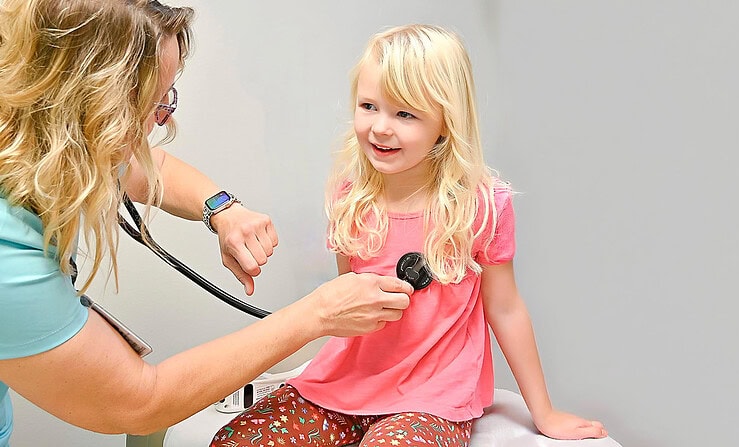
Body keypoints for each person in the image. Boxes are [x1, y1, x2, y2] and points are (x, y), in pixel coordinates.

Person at [0, 1, 412, 445]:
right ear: (94, 105)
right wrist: (318, 314)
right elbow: (138, 402)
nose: (166, 118)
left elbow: (138, 166)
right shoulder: (8, 255)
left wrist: (221, 208)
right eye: (157, 102)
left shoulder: (39, 129)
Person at [210, 24, 608, 447]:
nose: (381, 127)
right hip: (342, 386)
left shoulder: (481, 206)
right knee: (238, 440)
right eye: (368, 106)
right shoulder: (350, 199)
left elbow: (505, 309)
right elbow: (347, 304)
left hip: (431, 399)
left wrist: (543, 412)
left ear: (445, 122)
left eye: (405, 114)